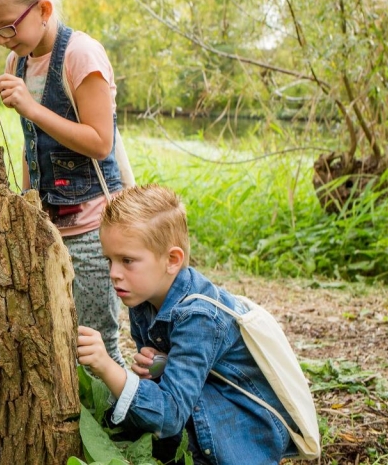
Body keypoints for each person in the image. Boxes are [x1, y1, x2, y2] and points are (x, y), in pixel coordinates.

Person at [0, 0, 125, 366]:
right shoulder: (16, 61)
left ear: (43, 9)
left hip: (93, 225)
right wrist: (27, 200)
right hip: (49, 226)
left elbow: (99, 143)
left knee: (97, 343)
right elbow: (31, 143)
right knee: (55, 337)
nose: (3, 40)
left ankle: (122, 425)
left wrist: (32, 108)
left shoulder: (81, 56)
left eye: (8, 27)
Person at [76, 185, 299, 465]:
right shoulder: (143, 298)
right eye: (109, 260)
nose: (114, 274)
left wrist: (107, 366)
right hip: (201, 411)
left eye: (127, 261)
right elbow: (171, 377)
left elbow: (169, 414)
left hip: (236, 435)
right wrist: (159, 366)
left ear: (172, 260)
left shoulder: (198, 316)